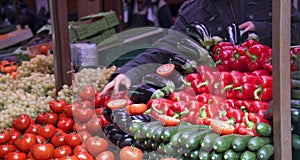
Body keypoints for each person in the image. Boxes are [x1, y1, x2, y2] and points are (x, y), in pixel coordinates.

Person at [101, 0, 300, 96]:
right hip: (226, 99)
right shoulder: (194, 9)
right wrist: (129, 72)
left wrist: (265, 30)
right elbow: (164, 49)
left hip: (275, 92)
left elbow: (297, 29)